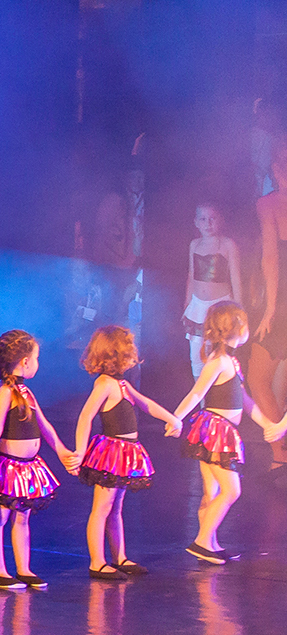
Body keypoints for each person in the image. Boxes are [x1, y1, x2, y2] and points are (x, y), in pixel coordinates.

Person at [171, 304, 287, 564]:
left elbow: (245, 402)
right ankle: (202, 542)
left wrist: (268, 424)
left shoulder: (231, 361)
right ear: (236, 328)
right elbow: (197, 393)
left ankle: (209, 543)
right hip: (216, 431)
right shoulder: (219, 361)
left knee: (211, 492)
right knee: (231, 491)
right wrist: (175, 417)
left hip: (220, 430)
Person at [0, 332, 79, 591]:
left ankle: (24, 568)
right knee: (0, 516)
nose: (38, 363)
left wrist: (61, 450)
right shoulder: (5, 392)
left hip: (28, 467)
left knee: (22, 517)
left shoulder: (25, 391)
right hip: (8, 467)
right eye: (37, 358)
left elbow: (43, 424)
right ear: (24, 361)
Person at [74, 326, 180, 580]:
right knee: (102, 508)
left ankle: (119, 556)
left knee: (116, 508)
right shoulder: (104, 384)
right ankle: (97, 562)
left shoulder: (122, 384)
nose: (133, 359)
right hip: (111, 453)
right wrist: (80, 451)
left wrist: (172, 418)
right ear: (113, 356)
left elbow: (145, 403)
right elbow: (86, 417)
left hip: (125, 452)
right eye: (128, 354)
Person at [252, 138, 287, 467]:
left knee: (257, 378)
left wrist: (271, 309)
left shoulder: (270, 204)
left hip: (283, 297)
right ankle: (280, 457)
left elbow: (271, 258)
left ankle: (281, 454)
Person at [182, 203, 240, 378]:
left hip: (220, 306)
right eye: (203, 219)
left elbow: (236, 278)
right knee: (196, 357)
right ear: (196, 222)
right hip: (198, 307)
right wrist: (187, 304)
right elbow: (191, 274)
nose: (208, 223)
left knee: (218, 355)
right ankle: (200, 394)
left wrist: (239, 309)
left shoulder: (228, 244)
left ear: (220, 220)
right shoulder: (194, 244)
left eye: (212, 219)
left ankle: (220, 391)